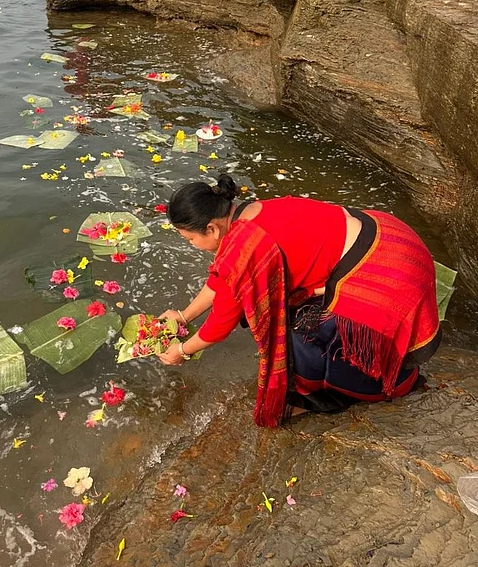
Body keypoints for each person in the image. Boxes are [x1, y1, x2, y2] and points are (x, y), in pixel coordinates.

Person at [158, 174, 441, 428]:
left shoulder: (243, 247)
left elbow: (222, 321)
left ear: (212, 229)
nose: (191, 245)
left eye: (190, 239)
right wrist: (183, 316)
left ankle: (365, 386)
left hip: (388, 273)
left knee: (296, 333)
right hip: (390, 237)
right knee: (294, 308)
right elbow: (223, 282)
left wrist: (182, 350)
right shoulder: (251, 212)